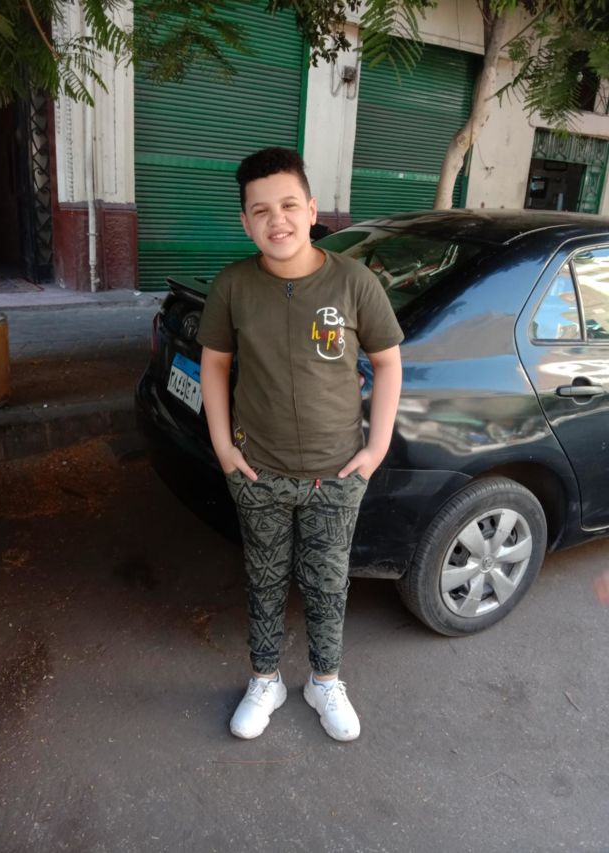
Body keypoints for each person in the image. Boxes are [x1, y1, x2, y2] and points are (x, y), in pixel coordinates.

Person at [197, 147, 403, 742]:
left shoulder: (354, 282)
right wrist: (223, 448)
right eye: (261, 210)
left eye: (289, 205)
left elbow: (388, 364)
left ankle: (324, 680)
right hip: (257, 471)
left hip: (336, 474)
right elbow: (215, 365)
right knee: (263, 579)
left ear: (312, 210)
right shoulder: (234, 286)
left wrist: (376, 449)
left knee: (328, 582)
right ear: (245, 222)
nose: (277, 220)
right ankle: (265, 680)